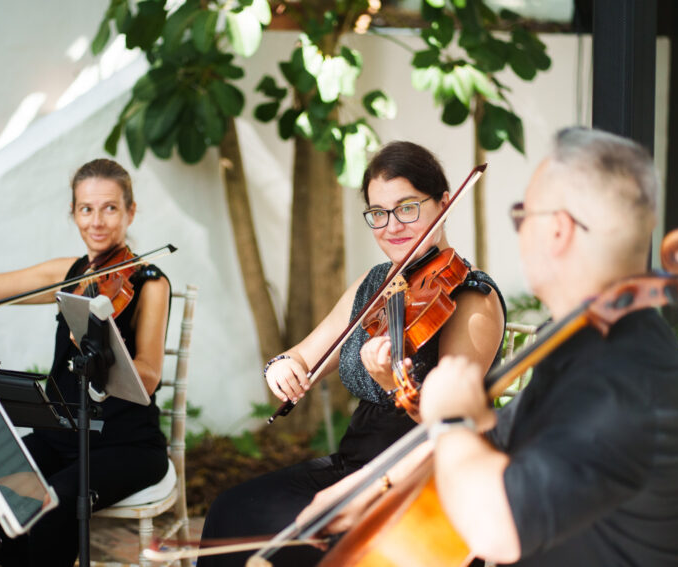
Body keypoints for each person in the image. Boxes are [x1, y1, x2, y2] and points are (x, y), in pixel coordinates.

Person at [307, 128, 678, 565]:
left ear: (558, 231)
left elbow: (501, 529)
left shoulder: (623, 370)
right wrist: (370, 487)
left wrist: (452, 418)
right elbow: (495, 434)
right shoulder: (579, 338)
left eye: (523, 216)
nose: (519, 233)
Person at [197, 141, 506, 567]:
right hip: (354, 462)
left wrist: (392, 385)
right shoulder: (375, 284)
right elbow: (303, 355)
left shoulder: (471, 298)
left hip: (425, 480)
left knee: (307, 540)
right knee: (234, 509)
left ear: (445, 203)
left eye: (408, 208)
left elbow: (453, 424)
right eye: (378, 213)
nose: (392, 225)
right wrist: (283, 367)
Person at [0, 158, 171, 567]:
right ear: (74, 213)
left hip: (125, 444)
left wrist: (104, 351)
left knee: (48, 509)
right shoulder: (69, 274)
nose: (97, 221)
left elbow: (147, 377)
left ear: (130, 211)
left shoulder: (149, 282)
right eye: (86, 208)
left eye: (110, 207)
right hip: (60, 434)